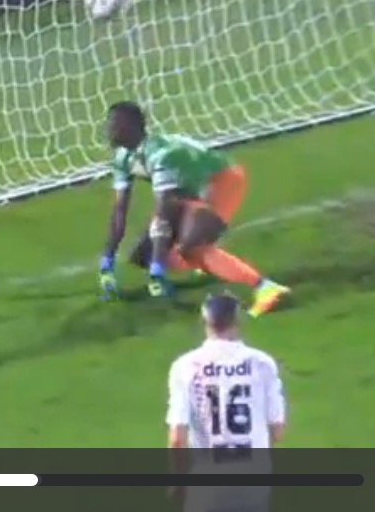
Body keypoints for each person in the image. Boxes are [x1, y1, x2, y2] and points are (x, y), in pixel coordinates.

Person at [100, 101, 290, 317]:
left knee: (192, 248)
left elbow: (164, 212)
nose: (108, 130)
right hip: (187, 188)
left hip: (221, 180)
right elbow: (119, 211)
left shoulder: (161, 155)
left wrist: (157, 269)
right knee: (143, 254)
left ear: (132, 126)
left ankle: (265, 287)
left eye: (114, 124)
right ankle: (209, 260)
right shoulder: (123, 158)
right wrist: (107, 263)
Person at [166, 294, 284, 512]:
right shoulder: (261, 363)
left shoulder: (185, 366)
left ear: (204, 322)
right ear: (238, 320)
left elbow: (177, 438)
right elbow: (277, 431)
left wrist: (178, 483)